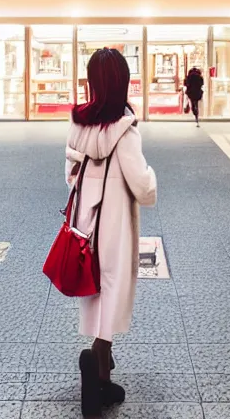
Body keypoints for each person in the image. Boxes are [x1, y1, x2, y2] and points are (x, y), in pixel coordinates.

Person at [65, 48, 157, 418]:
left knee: (94, 286)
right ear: (122, 82)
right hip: (115, 221)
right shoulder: (125, 129)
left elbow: (70, 174)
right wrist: (153, 181)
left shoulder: (77, 124)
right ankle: (98, 362)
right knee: (114, 285)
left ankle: (101, 366)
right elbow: (142, 185)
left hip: (86, 220)